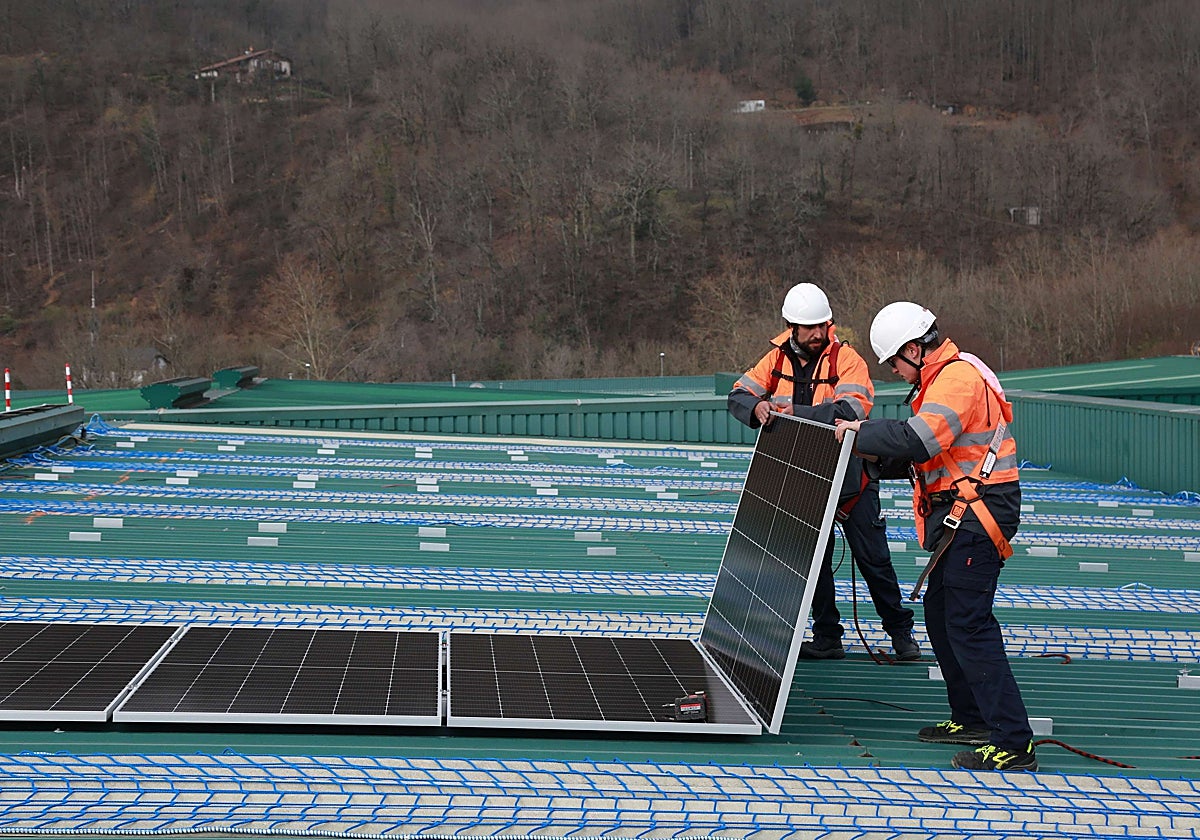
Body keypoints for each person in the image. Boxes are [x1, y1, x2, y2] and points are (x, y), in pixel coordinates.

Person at [834, 301, 1037, 772]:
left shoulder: (957, 379)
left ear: (912, 349)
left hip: (979, 513)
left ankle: (1013, 741)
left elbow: (918, 440)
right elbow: (924, 454)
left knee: (968, 622)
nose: (896, 373)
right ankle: (971, 717)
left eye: (895, 363)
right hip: (964, 511)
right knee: (942, 611)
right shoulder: (941, 378)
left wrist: (858, 432)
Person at [728, 282, 919, 662]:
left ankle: (901, 634)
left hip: (852, 479)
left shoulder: (846, 360)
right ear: (791, 326)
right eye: (809, 327)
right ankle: (827, 637)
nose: (818, 334)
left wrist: (795, 415)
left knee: (874, 560)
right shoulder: (775, 360)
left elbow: (851, 411)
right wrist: (755, 410)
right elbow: (737, 394)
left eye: (822, 325)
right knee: (814, 564)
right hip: (804, 477)